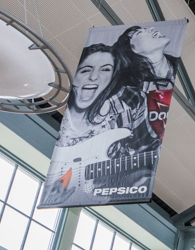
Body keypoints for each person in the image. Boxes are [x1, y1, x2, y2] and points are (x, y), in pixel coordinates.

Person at [42, 43, 157, 204]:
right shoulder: (67, 110)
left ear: (113, 78)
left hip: (96, 180)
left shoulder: (129, 101)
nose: (94, 77)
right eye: (86, 69)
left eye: (105, 69)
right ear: (76, 79)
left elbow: (146, 144)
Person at [113, 24, 180, 140]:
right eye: (139, 33)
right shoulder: (132, 94)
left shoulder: (182, 70)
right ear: (133, 49)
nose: (152, 28)